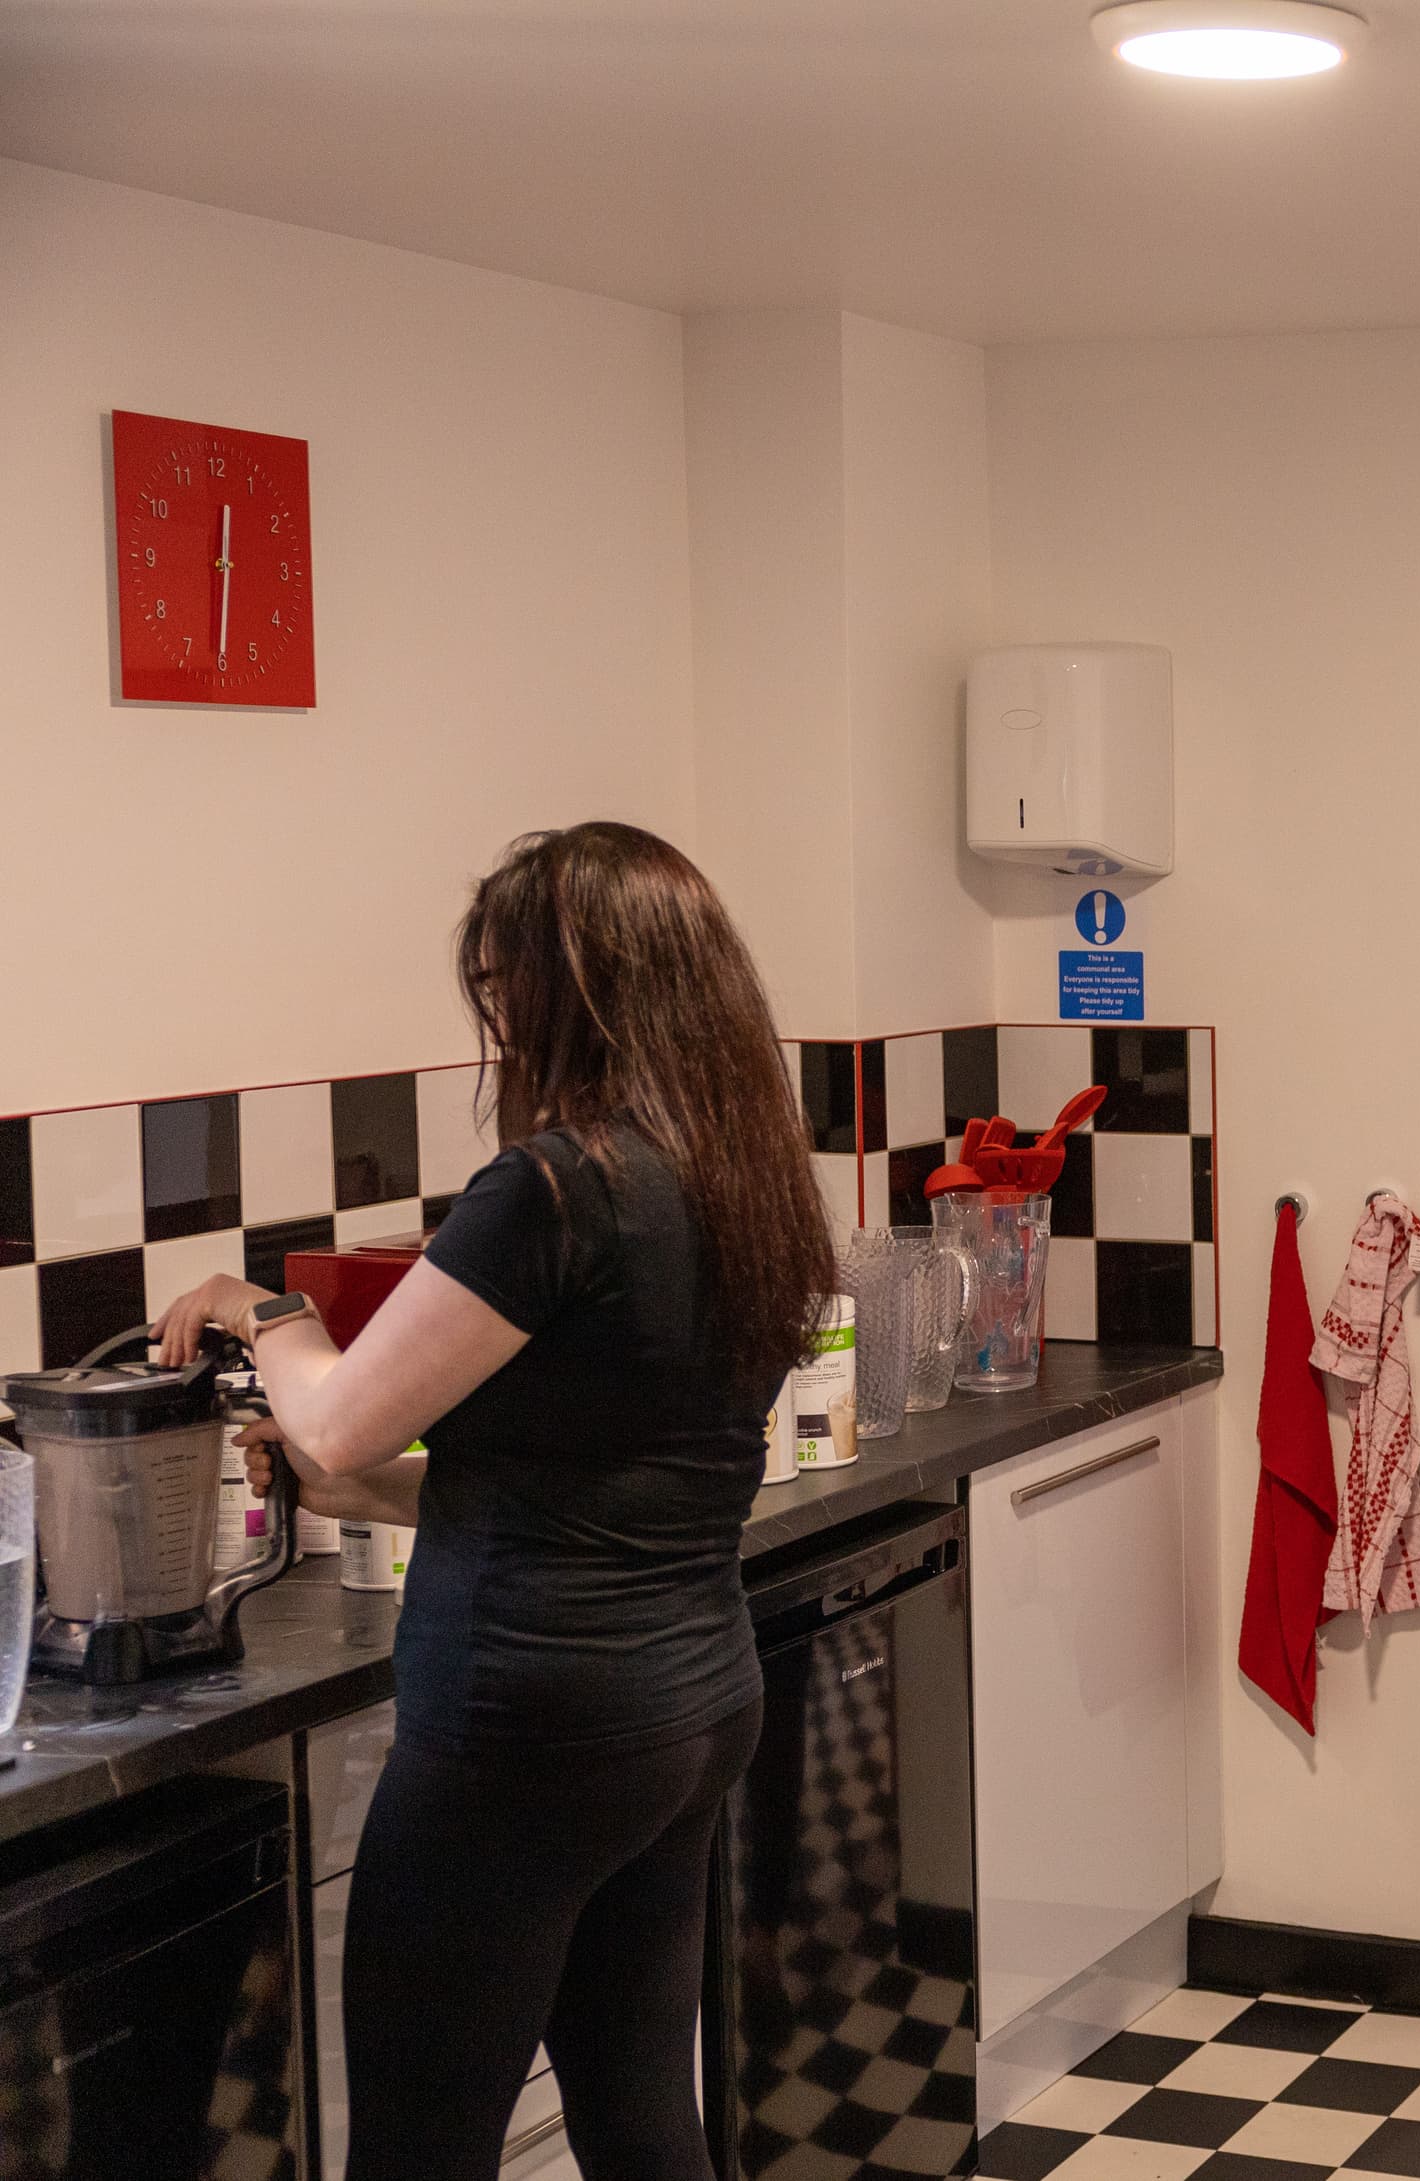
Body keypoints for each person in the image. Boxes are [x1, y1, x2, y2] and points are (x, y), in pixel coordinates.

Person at [154, 822, 837, 2181]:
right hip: (690, 1702)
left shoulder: (552, 1188)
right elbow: (573, 1474)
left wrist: (259, 1307)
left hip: (530, 1725)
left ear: (563, 988)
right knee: (643, 2116)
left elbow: (341, 1406)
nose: (496, 1016)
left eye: (499, 982)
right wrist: (336, 1473)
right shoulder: (743, 1177)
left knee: (418, 2145)